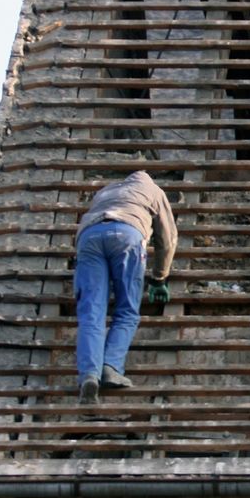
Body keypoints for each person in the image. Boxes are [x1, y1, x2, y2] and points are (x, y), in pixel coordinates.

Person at [73, 170, 178, 405]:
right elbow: (168, 239)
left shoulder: (106, 191)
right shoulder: (154, 191)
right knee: (127, 310)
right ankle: (110, 366)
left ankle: (89, 375)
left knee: (91, 311)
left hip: (88, 238)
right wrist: (159, 278)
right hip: (127, 234)